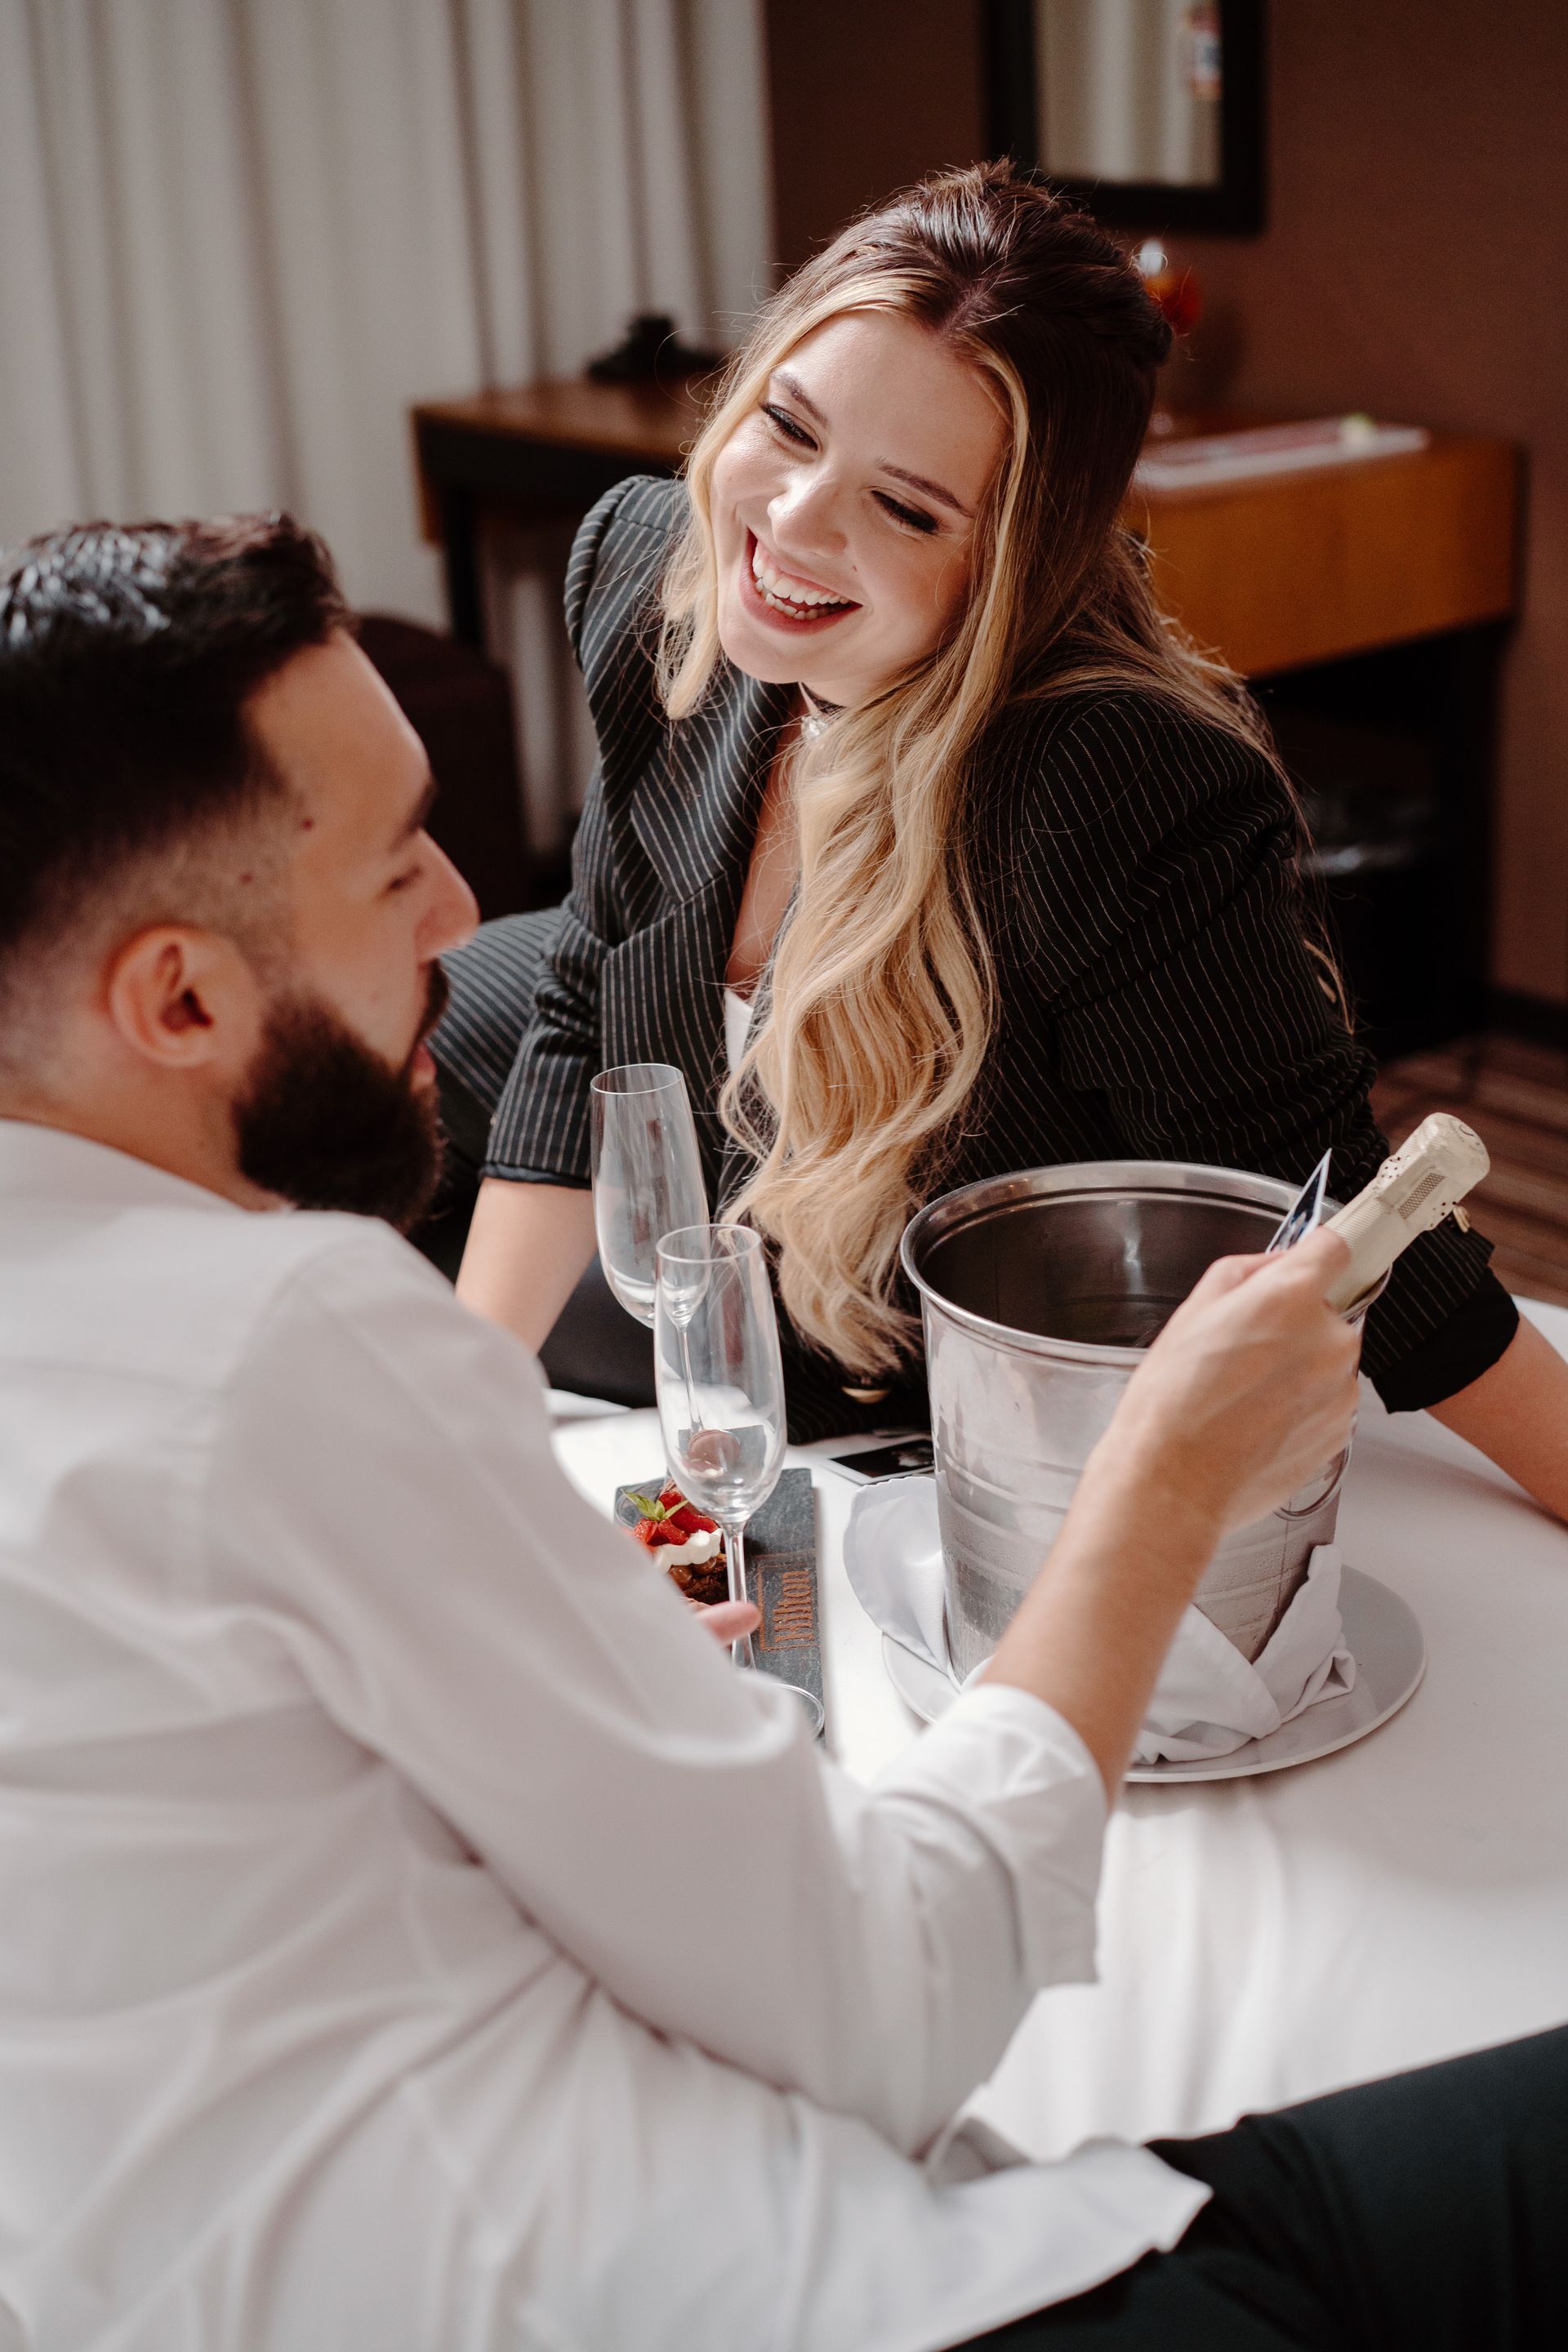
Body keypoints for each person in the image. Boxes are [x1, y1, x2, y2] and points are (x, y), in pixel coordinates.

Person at [2, 513, 1565, 2350]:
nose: (457, 913)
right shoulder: (284, 1342)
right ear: (179, 997)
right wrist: (1157, 1484)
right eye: (396, 862)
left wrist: (547, 1662)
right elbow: (893, 2004)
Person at [433, 162, 1568, 1518]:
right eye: (789, 426)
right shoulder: (650, 567)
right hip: (685, 1134)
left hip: (869, 1309)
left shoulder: (1105, 785)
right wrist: (464, 1417)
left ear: (1010, 569)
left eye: (907, 507)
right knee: (360, 1074)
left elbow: (1322, 1214)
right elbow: (587, 997)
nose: (793, 522)